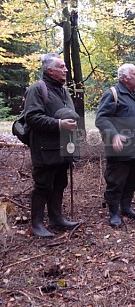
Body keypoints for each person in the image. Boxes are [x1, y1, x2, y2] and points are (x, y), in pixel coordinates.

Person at [24, 53, 80, 238]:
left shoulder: (62, 90)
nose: (65, 70)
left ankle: (56, 219)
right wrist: (58, 124)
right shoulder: (37, 89)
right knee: (43, 185)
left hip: (63, 147)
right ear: (50, 70)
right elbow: (31, 117)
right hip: (44, 149)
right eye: (62, 67)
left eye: (65, 66)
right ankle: (37, 224)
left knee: (59, 183)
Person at [95, 64, 135, 227]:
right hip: (120, 150)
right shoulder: (113, 94)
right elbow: (101, 119)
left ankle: (126, 208)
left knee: (132, 181)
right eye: (134, 73)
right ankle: (113, 213)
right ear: (125, 78)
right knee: (116, 183)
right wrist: (113, 134)